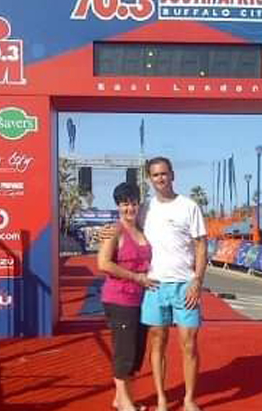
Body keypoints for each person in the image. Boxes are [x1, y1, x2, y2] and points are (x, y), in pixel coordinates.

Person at [139, 157, 207, 411]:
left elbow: (201, 246)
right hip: (155, 286)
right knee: (157, 341)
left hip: (184, 285)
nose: (160, 178)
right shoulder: (145, 209)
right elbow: (128, 231)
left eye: (164, 174)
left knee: (189, 342)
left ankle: (189, 399)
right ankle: (161, 399)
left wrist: (197, 281)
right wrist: (107, 234)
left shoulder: (189, 206)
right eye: (155, 175)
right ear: (150, 178)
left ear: (173, 175)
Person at [97, 182, 155, 411]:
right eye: (124, 204)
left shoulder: (142, 229)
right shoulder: (115, 230)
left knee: (136, 351)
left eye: (133, 203)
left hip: (142, 300)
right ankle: (124, 404)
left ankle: (122, 398)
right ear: (118, 206)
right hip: (120, 299)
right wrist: (136, 277)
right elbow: (103, 263)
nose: (130, 208)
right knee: (124, 353)